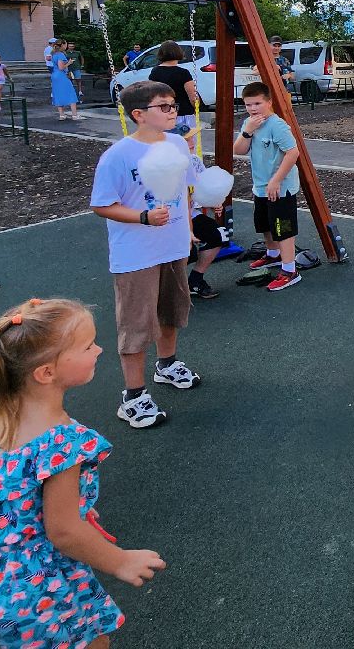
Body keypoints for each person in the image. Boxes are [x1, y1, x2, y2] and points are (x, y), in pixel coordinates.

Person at [0, 297, 165, 648]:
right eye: (88, 346)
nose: (99, 350)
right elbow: (64, 532)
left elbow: (10, 496)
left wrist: (76, 505)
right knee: (93, 642)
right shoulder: (62, 444)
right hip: (42, 585)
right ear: (46, 373)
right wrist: (120, 561)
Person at [90, 80, 205, 429]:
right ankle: (134, 395)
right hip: (136, 253)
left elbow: (186, 189)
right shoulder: (117, 157)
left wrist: (187, 228)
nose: (174, 111)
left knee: (171, 310)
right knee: (137, 323)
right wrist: (142, 217)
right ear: (139, 114)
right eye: (165, 107)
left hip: (171, 248)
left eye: (174, 105)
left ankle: (167, 365)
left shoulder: (175, 144)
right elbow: (102, 205)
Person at [234, 81, 303, 291]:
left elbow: (293, 153)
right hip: (260, 186)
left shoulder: (277, 125)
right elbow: (239, 150)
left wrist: (276, 180)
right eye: (248, 105)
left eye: (257, 103)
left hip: (281, 188)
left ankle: (290, 270)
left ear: (269, 102)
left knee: (283, 229)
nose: (253, 109)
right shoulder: (249, 123)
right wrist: (248, 130)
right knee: (265, 224)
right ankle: (273, 255)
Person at [147, 41, 200, 135]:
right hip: (183, 114)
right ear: (178, 53)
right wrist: (196, 107)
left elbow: (151, 94)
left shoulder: (155, 72)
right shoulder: (183, 73)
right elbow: (193, 97)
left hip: (163, 113)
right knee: (187, 143)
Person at [50, 40, 81, 121]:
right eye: (66, 44)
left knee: (58, 93)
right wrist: (69, 63)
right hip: (61, 76)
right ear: (63, 45)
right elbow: (61, 67)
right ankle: (74, 115)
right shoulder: (60, 55)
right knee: (71, 92)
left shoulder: (53, 54)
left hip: (55, 75)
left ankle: (62, 115)